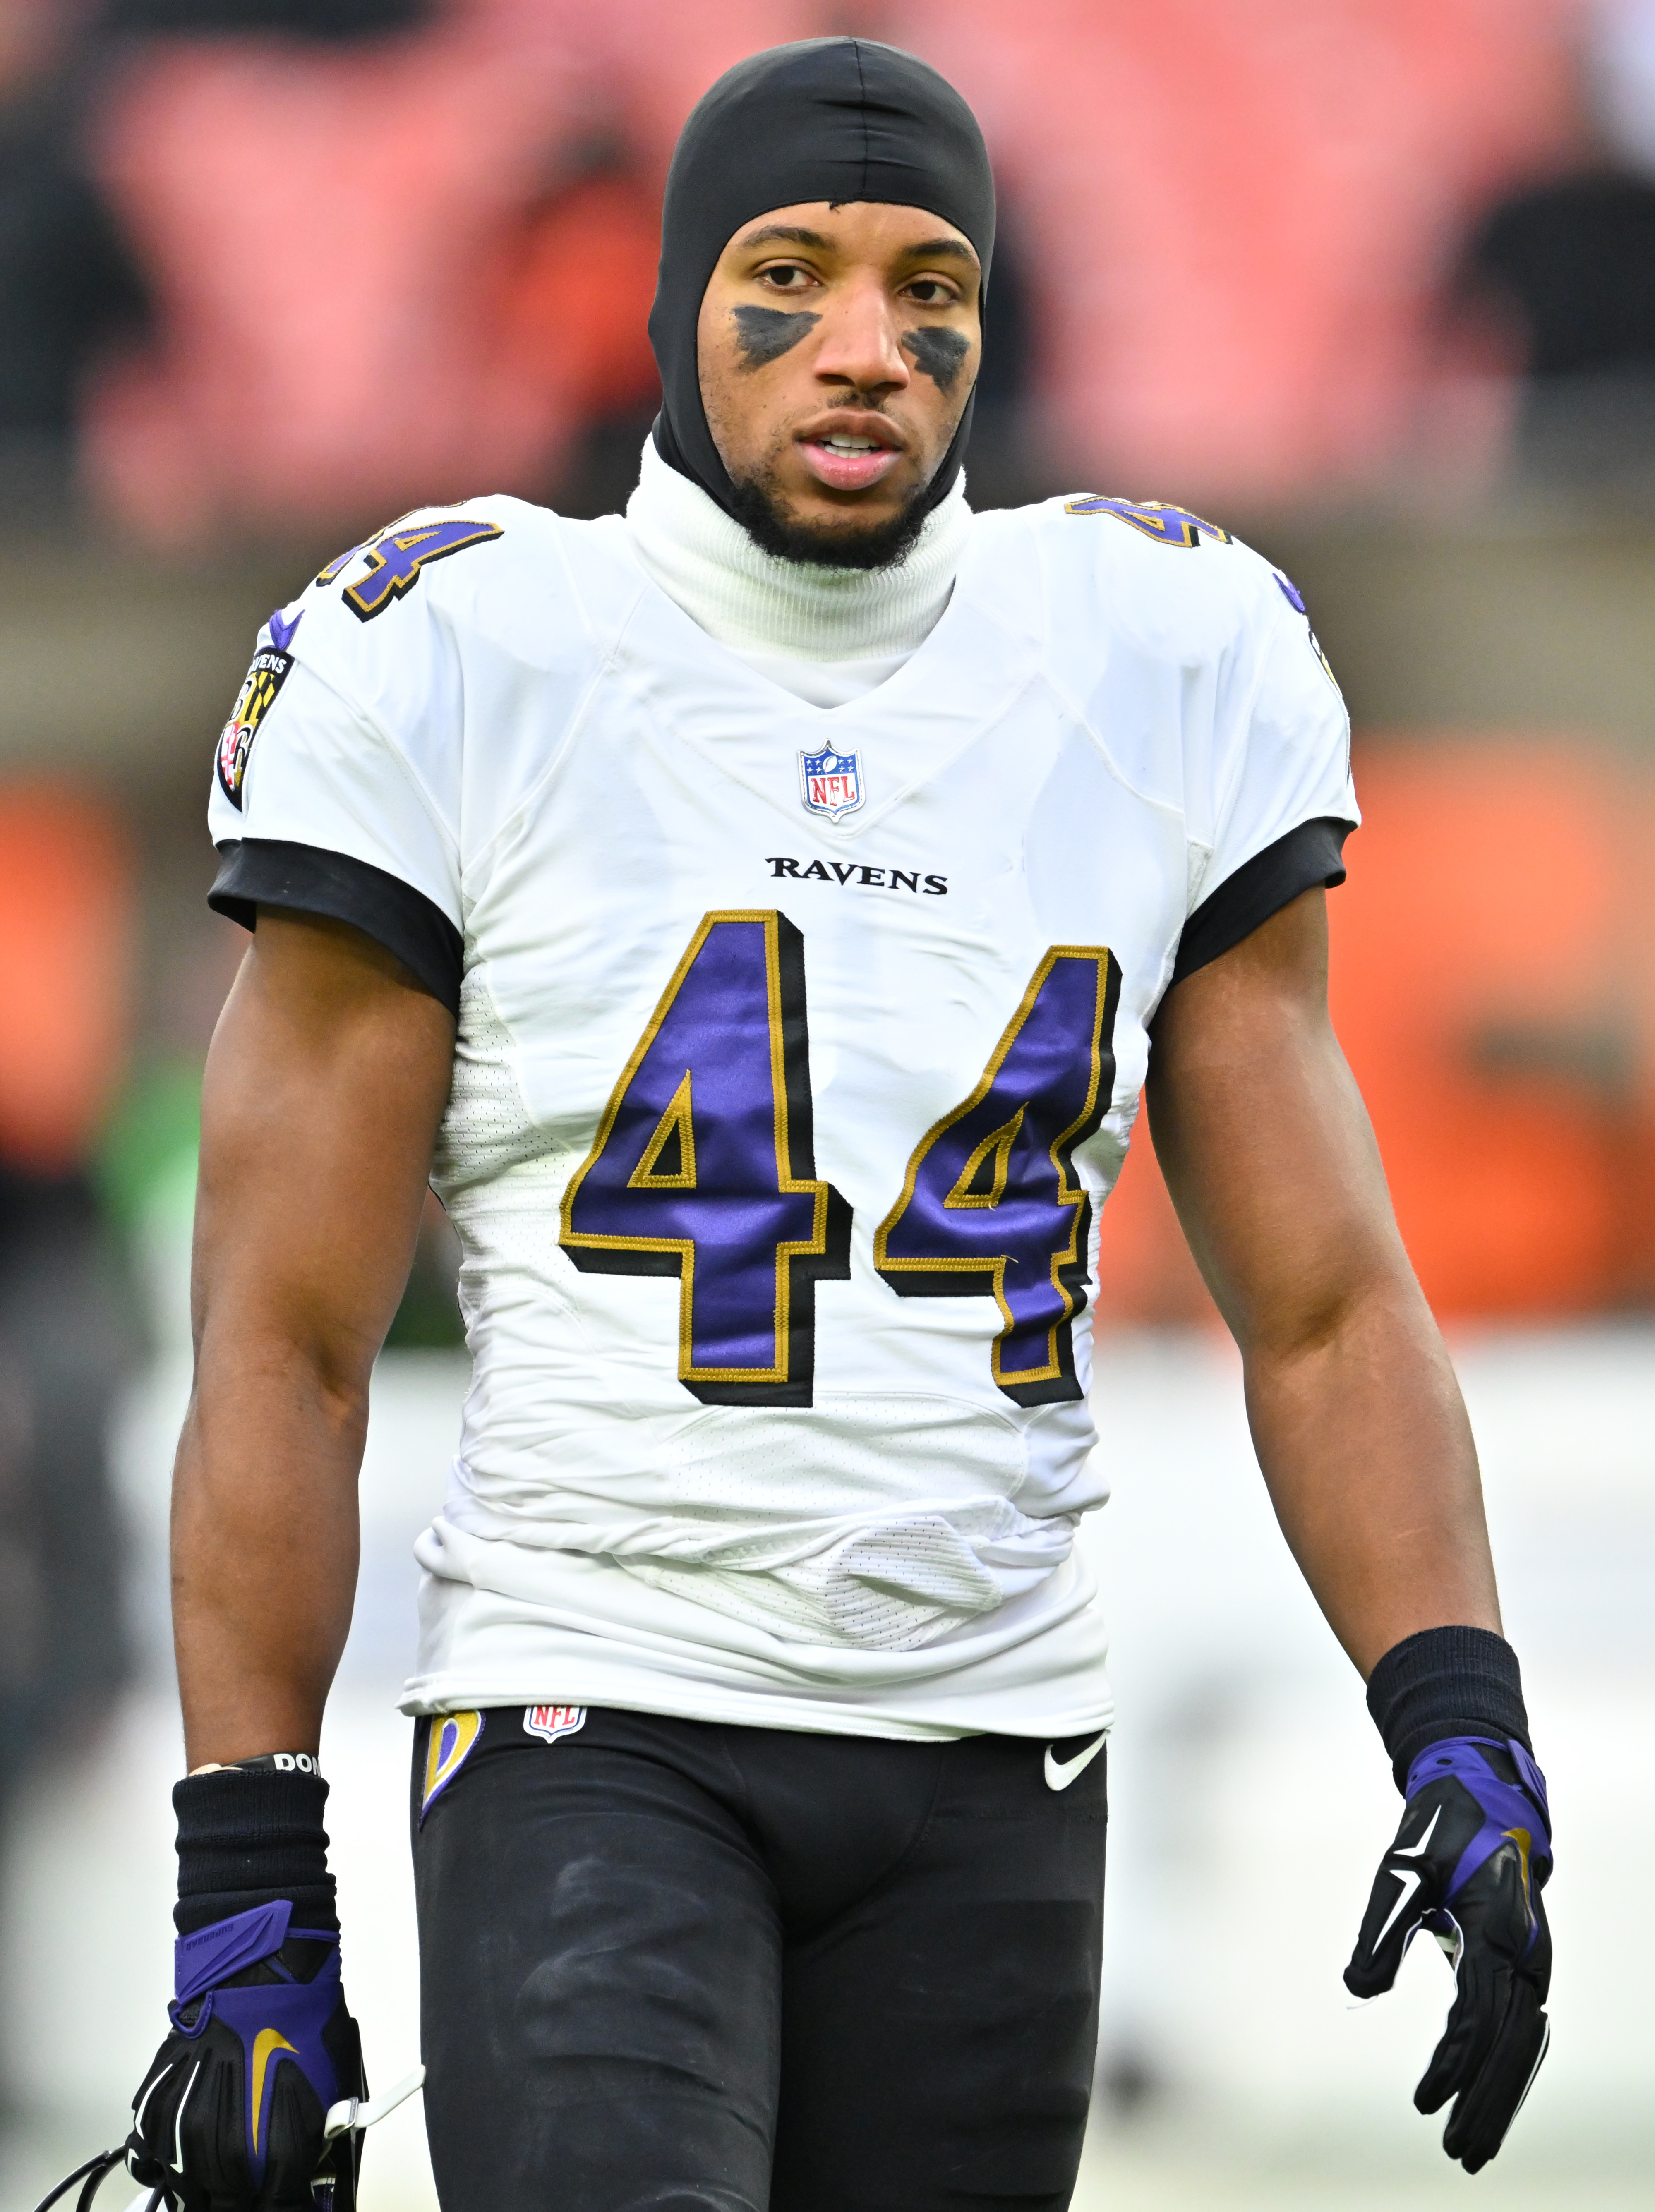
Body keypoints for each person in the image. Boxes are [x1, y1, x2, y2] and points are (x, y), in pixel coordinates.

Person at [122, 38, 1552, 2212]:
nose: (868, 346)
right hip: (596, 1725)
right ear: (680, 298)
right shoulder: (467, 653)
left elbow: (1332, 1301)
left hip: (995, 1755)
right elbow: (285, 1339)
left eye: (929, 283)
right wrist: (247, 1879)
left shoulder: (1155, 657)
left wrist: (1461, 1712)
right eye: (789, 276)